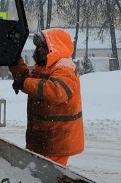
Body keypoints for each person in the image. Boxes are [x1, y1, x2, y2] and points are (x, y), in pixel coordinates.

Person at [8, 28, 84, 166]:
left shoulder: (64, 67)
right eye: (37, 46)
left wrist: (24, 83)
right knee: (39, 175)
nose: (38, 50)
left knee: (46, 177)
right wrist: (14, 58)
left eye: (42, 46)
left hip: (56, 138)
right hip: (45, 137)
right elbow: (30, 81)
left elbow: (56, 91)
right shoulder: (44, 67)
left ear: (54, 47)